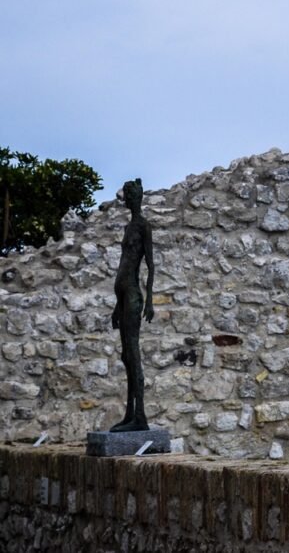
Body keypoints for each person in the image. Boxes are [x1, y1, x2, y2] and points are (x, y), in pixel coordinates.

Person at [110, 178, 154, 432]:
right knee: (126, 356)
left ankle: (140, 416)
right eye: (126, 195)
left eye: (130, 195)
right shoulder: (129, 227)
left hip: (134, 295)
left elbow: (150, 264)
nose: (127, 199)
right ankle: (130, 414)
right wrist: (117, 305)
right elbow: (122, 264)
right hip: (123, 296)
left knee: (134, 356)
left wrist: (149, 300)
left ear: (137, 197)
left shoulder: (143, 226)